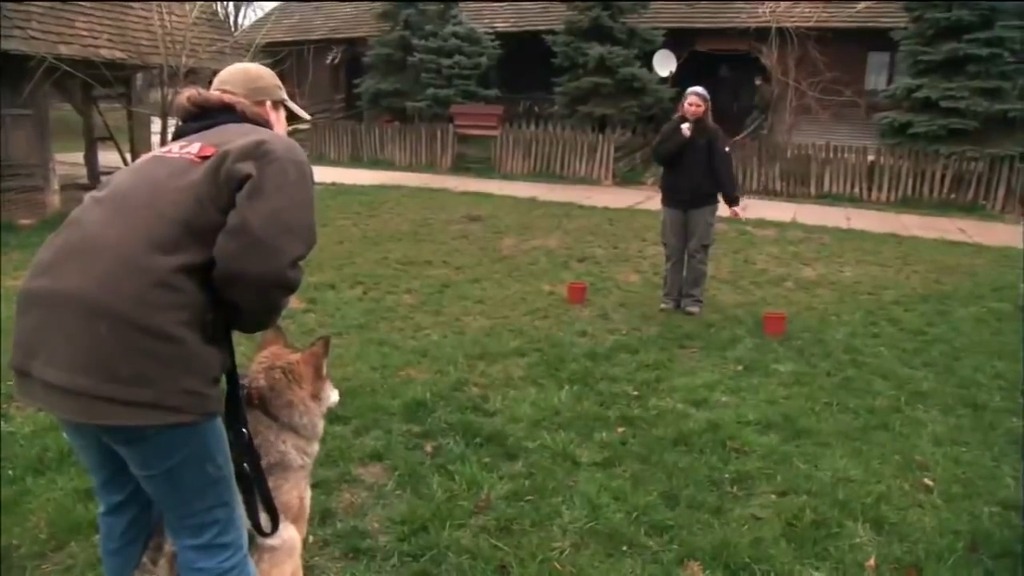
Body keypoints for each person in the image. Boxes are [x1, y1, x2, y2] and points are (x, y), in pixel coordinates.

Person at [10, 62, 317, 576]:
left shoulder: (161, 157)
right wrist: (245, 315)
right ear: (271, 109)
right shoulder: (271, 149)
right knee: (213, 536)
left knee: (127, 506)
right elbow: (259, 270)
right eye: (287, 116)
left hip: (48, 347)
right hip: (143, 362)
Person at [651, 86, 741, 316]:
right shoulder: (672, 128)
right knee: (673, 251)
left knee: (697, 252)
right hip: (673, 201)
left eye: (698, 105)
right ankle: (670, 298)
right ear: (683, 104)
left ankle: (692, 300)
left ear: (706, 108)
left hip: (702, 203)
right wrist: (680, 139)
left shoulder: (713, 133)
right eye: (689, 104)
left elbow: (723, 167)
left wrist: (732, 201)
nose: (693, 109)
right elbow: (660, 156)